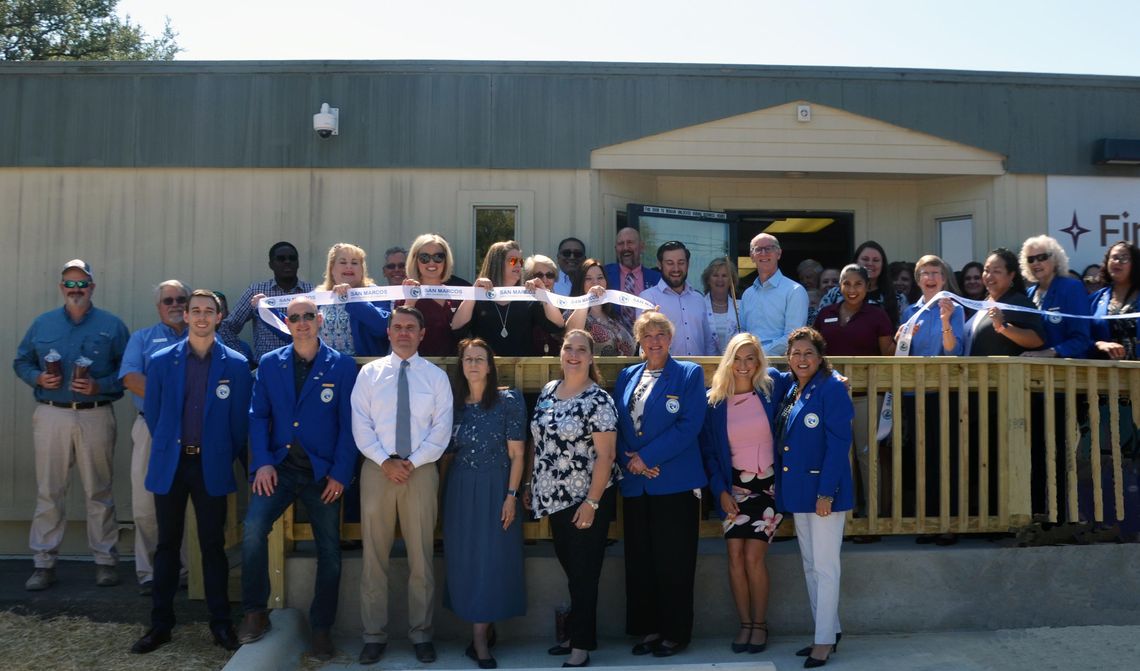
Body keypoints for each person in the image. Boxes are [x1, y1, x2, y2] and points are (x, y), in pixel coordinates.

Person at [237, 296, 359, 661]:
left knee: (330, 551)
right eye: (295, 318)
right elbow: (258, 417)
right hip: (280, 467)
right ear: (285, 324)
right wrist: (262, 464)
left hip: (322, 473)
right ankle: (255, 611)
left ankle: (321, 630)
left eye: (308, 316)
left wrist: (339, 473)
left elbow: (349, 426)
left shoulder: (341, 366)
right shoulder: (271, 364)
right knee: (253, 529)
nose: (302, 322)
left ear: (320, 320)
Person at [130, 290, 251, 654]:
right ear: (185, 316)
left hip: (210, 465)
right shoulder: (162, 360)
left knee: (213, 546)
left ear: (219, 317)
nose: (200, 317)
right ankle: (160, 625)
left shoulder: (236, 364)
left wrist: (217, 452)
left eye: (208, 311)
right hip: (172, 464)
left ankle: (221, 625)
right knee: (167, 544)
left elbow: (238, 423)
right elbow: (153, 412)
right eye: (194, 310)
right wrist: (173, 445)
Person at [13, 259, 130, 592]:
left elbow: (129, 371)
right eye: (70, 284)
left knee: (100, 491)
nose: (75, 290)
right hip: (52, 413)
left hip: (96, 412)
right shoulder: (42, 324)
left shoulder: (112, 326)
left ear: (92, 287)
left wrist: (100, 385)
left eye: (82, 284)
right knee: (50, 491)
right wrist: (37, 377)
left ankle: (106, 562)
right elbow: (21, 360)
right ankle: (43, 563)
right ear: (61, 287)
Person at [352, 306, 453, 666]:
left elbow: (441, 429)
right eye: (398, 327)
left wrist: (413, 462)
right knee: (373, 557)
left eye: (411, 327)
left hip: (421, 470)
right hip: (378, 469)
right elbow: (361, 425)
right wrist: (386, 462)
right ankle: (374, 635)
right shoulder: (369, 375)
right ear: (389, 332)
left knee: (421, 558)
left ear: (422, 334)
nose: (404, 333)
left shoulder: (436, 377)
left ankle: (421, 633)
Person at [614, 311, 708, 658]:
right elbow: (620, 424)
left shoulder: (688, 374)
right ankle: (649, 628)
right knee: (641, 561)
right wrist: (632, 461)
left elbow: (689, 424)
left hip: (675, 484)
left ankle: (675, 632)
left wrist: (648, 458)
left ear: (671, 339)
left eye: (660, 335)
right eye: (647, 335)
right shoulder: (627, 376)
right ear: (639, 340)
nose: (654, 341)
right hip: (637, 484)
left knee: (674, 561)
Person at [530, 329, 620, 669]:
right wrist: (531, 485)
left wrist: (592, 502)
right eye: (569, 347)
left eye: (581, 349)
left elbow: (606, 455)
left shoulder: (598, 400)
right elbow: (541, 445)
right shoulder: (549, 392)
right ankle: (580, 634)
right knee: (573, 572)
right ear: (561, 352)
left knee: (584, 573)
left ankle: (580, 645)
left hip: (586, 498)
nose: (574, 354)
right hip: (553, 498)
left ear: (591, 357)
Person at [699, 333, 790, 654]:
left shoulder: (772, 387)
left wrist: (837, 376)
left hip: (768, 488)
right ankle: (745, 625)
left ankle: (761, 624)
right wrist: (720, 491)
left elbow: (809, 370)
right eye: (737, 358)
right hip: (732, 489)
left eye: (750, 358)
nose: (743, 365)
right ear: (728, 360)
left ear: (759, 362)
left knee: (753, 557)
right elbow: (709, 453)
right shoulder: (714, 401)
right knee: (734, 557)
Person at [443, 339, 526, 669]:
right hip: (461, 489)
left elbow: (518, 454)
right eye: (468, 359)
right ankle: (480, 634)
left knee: (493, 560)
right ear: (461, 365)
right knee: (467, 561)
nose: (474, 364)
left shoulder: (509, 401)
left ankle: (480, 640)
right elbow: (447, 454)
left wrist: (511, 496)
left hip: (497, 488)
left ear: (490, 366)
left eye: (480, 359)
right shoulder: (453, 404)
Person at [775, 327, 855, 669]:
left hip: (823, 493)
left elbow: (839, 445)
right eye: (795, 353)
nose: (801, 359)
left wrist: (827, 492)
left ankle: (822, 642)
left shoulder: (832, 388)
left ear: (820, 357)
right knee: (811, 565)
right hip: (800, 492)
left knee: (825, 567)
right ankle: (828, 630)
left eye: (808, 353)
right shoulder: (793, 386)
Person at [118, 279, 190, 595]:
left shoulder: (202, 337)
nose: (175, 305)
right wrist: (173, 399)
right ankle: (149, 573)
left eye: (180, 299)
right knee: (146, 503)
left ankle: (188, 571)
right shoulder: (142, 339)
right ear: (158, 307)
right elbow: (131, 378)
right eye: (168, 300)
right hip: (153, 427)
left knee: (191, 504)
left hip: (194, 429)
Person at [813, 264, 893, 524]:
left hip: (867, 396)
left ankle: (872, 517)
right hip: (831, 398)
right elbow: (814, 354)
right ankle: (846, 515)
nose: (852, 289)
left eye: (858, 283)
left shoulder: (877, 315)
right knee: (838, 455)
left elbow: (888, 355)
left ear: (867, 286)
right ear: (840, 286)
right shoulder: (825, 314)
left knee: (866, 456)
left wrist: (903, 339)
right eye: (846, 283)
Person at [898, 257, 965, 542]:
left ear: (944, 279)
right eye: (924, 273)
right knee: (920, 459)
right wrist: (903, 337)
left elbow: (954, 353)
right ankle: (925, 523)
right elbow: (901, 354)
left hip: (944, 393)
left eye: (935, 272)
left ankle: (946, 524)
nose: (930, 276)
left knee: (944, 458)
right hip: (915, 394)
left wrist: (945, 321)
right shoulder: (909, 311)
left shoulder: (956, 309)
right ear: (918, 280)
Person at [452, 240, 565, 357]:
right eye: (513, 260)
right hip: (486, 370)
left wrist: (543, 294)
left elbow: (557, 326)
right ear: (497, 263)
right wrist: (474, 292)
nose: (519, 265)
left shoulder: (527, 297)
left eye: (520, 261)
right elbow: (457, 328)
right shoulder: (478, 296)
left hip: (521, 369)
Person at [218, 241, 314, 361]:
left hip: (305, 366)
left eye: (292, 258)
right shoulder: (256, 292)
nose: (287, 262)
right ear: (271, 264)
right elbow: (227, 328)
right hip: (268, 369)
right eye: (281, 259)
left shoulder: (312, 293)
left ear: (298, 263)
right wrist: (243, 359)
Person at [639, 240, 717, 356]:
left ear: (688, 264)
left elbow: (708, 342)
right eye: (670, 263)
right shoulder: (647, 298)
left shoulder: (698, 299)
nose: (676, 268)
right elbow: (643, 345)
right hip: (665, 372)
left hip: (698, 371)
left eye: (681, 262)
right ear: (660, 265)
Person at [1020, 235, 1091, 359]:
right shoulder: (1028, 294)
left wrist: (1051, 352)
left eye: (1042, 257)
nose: (1036, 263)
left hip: (1068, 370)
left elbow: (1082, 338)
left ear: (1055, 260)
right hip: (1035, 372)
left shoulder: (1072, 288)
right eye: (1030, 259)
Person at [739, 233, 809, 356]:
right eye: (758, 249)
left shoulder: (795, 291)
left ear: (779, 254)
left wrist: (758, 355)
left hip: (780, 366)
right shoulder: (747, 295)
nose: (764, 253)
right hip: (749, 365)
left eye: (769, 248)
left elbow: (793, 337)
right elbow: (743, 333)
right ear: (751, 256)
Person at [316, 242, 391, 356]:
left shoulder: (375, 293)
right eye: (343, 262)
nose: (349, 266)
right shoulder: (319, 295)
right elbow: (295, 329)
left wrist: (353, 297)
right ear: (332, 269)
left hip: (362, 369)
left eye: (355, 263)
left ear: (362, 270)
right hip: (327, 368)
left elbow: (382, 328)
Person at [400, 233, 462, 357]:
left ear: (446, 260)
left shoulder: (458, 294)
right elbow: (398, 332)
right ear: (415, 260)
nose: (432, 263)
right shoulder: (405, 293)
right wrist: (410, 303)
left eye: (438, 257)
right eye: (424, 257)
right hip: (416, 369)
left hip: (451, 370)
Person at [818, 241, 903, 326]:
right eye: (865, 259)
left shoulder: (898, 298)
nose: (870, 263)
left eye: (876, 260)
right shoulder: (835, 294)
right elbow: (818, 324)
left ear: (883, 265)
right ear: (855, 262)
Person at [565, 258, 636, 356]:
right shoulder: (572, 312)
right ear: (580, 283)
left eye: (600, 278)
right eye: (588, 278)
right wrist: (587, 299)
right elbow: (571, 334)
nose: (595, 282)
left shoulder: (613, 316)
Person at [1090, 242, 1140, 360]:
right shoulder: (1095, 300)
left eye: (1124, 258)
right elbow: (1082, 338)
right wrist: (1099, 344)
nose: (1117, 262)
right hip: (1107, 372)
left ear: (1135, 264)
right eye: (1114, 258)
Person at [605, 227, 662, 326]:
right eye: (620, 244)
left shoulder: (657, 279)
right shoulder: (604, 275)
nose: (625, 248)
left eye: (630, 242)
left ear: (642, 247)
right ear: (616, 249)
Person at [524, 254, 565, 355]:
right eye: (539, 275)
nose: (545, 280)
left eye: (550, 275)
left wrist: (544, 295)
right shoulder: (523, 304)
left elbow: (559, 326)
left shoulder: (561, 302)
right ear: (529, 277)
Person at [702, 257, 743, 355]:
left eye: (724, 276)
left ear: (731, 281)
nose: (720, 279)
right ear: (708, 280)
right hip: (705, 365)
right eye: (715, 275)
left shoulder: (741, 307)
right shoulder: (699, 305)